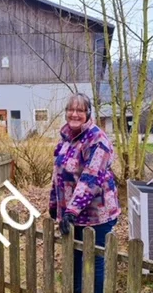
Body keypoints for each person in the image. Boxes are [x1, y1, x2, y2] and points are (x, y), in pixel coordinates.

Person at [50, 93, 121, 293]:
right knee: (75, 261)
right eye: (71, 110)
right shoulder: (66, 138)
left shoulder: (97, 139)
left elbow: (91, 177)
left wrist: (71, 211)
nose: (74, 114)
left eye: (80, 110)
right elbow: (59, 174)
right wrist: (55, 205)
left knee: (94, 264)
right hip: (73, 216)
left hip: (97, 215)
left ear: (88, 113)